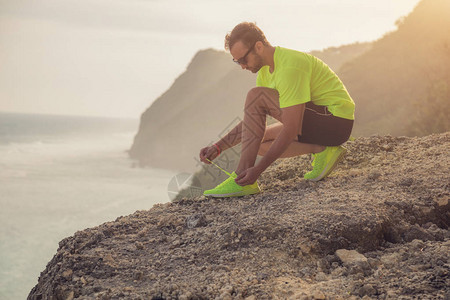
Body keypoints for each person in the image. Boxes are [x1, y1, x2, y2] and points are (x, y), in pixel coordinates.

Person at [199, 22, 355, 197]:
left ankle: (241, 179)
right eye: (237, 62)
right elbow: (252, 125)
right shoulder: (265, 73)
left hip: (335, 122)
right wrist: (218, 147)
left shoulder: (290, 65)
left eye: (243, 60)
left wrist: (257, 170)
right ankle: (323, 149)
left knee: (255, 96)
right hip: (319, 124)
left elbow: (291, 128)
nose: (242, 66)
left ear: (258, 47)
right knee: (258, 143)